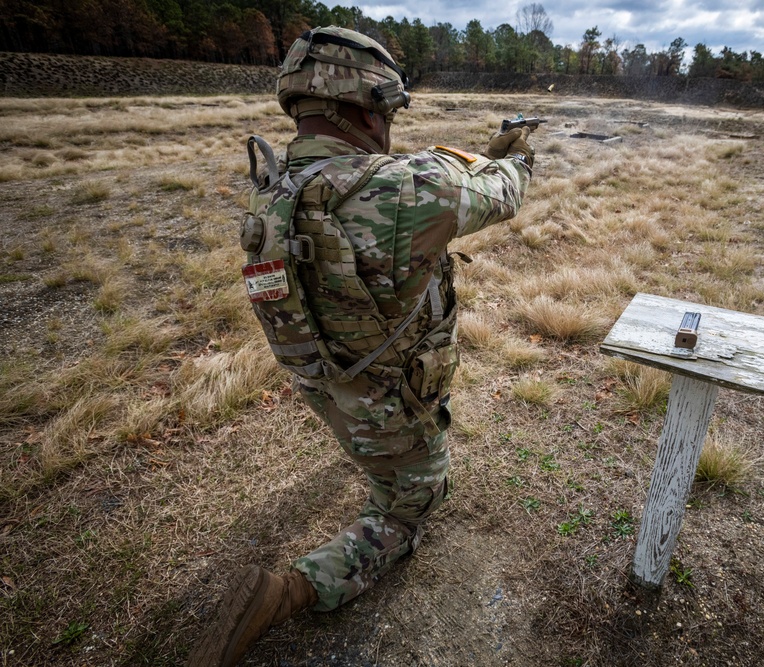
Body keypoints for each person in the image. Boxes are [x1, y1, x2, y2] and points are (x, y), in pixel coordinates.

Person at [188, 26, 534, 667]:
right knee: (413, 502)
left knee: (373, 448)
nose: (389, 126)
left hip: (322, 382)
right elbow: (503, 193)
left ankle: (373, 459)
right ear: (365, 107)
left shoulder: (275, 191)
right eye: (386, 111)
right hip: (388, 397)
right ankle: (290, 591)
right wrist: (513, 155)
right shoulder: (411, 186)